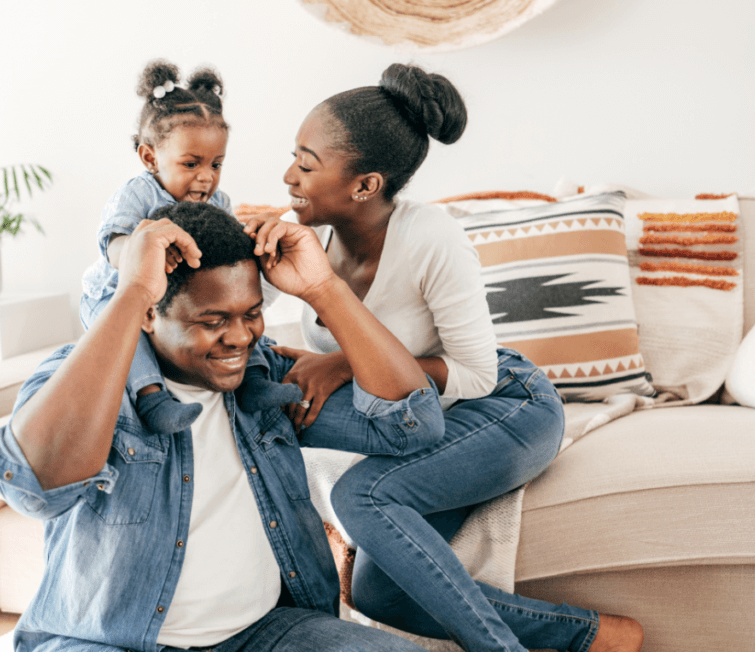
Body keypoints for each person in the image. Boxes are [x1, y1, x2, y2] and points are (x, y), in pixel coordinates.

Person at [243, 63, 644, 652]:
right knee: (380, 594)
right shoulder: (312, 238)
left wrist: (344, 361)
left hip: (505, 406)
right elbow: (233, 316)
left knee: (363, 496)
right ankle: (597, 639)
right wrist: (235, 238)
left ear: (365, 185)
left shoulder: (431, 236)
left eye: (306, 163)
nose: (288, 176)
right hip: (414, 415)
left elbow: (477, 373)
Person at [0, 201, 453, 651]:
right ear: (149, 315)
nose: (241, 336)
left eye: (252, 314)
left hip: (266, 633)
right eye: (213, 320)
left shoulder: (266, 375)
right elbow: (36, 489)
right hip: (110, 641)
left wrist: (324, 287)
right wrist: (132, 291)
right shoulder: (87, 379)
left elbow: (414, 424)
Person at [80, 59, 298, 436]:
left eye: (216, 164)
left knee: (239, 319)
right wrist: (139, 256)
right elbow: (113, 243)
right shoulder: (140, 193)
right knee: (127, 338)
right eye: (191, 163)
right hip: (117, 292)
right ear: (150, 157)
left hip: (177, 301)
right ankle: (152, 398)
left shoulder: (217, 202)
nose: (206, 176)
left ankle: (256, 382)